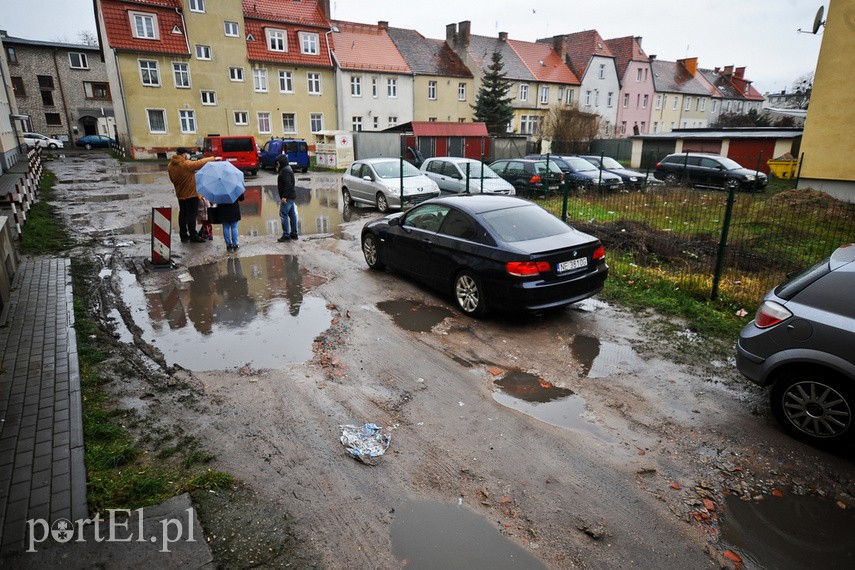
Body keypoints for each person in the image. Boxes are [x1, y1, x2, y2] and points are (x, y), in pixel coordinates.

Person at [168, 147, 218, 243]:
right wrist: (212, 158)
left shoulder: (170, 165)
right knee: (191, 215)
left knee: (182, 214)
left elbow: (172, 179)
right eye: (187, 154)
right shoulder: (186, 164)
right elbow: (198, 163)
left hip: (180, 193)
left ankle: (183, 235)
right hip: (191, 194)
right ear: (183, 155)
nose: (188, 156)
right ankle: (193, 235)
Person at [277, 158, 298, 242]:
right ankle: (294, 233)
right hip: (291, 196)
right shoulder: (288, 169)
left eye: (278, 163)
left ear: (281, 162)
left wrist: (284, 196)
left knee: (283, 214)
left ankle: (286, 234)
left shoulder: (285, 171)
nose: (277, 165)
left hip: (288, 197)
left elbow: (288, 184)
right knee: (292, 214)